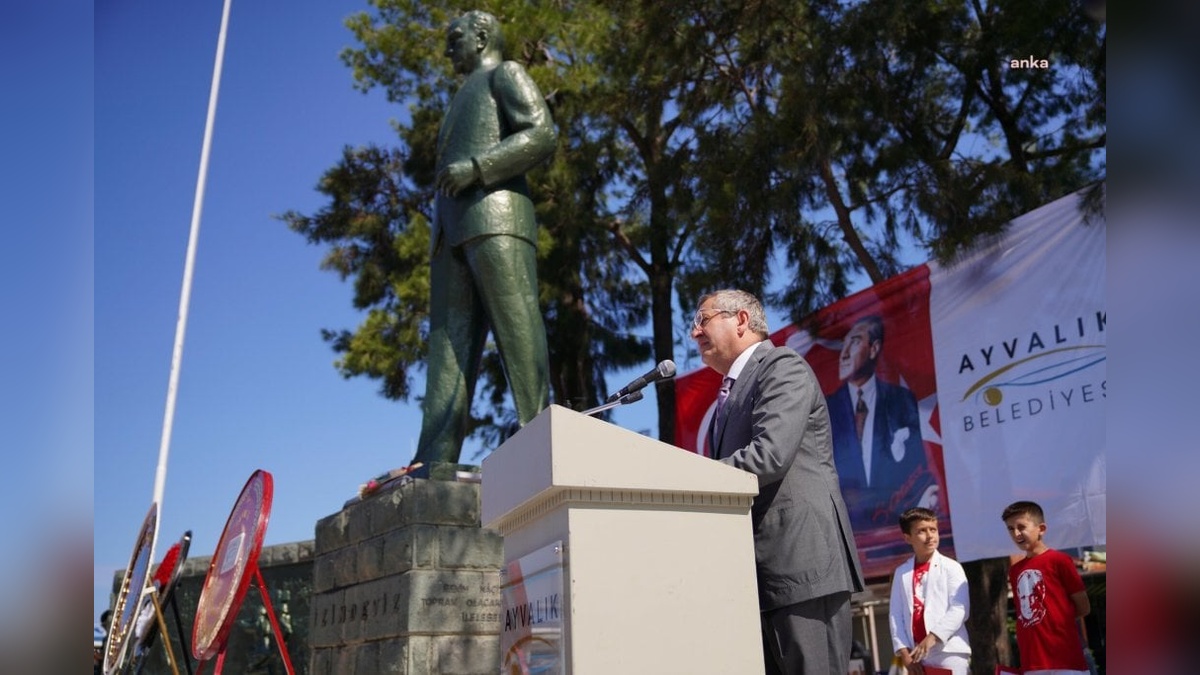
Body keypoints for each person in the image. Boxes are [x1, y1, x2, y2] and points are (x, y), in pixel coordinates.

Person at [692, 289, 864, 675]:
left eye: (704, 319)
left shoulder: (781, 365)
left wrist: (693, 478)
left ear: (741, 320)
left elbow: (769, 455)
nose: (695, 332)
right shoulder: (728, 395)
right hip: (757, 574)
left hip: (802, 565)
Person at [413, 9, 556, 466]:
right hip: (451, 232)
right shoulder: (461, 94)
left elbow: (542, 134)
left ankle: (540, 435)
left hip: (497, 217)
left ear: (482, 36)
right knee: (447, 348)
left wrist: (477, 169)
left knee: (517, 325)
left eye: (455, 37)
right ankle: (433, 460)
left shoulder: (506, 74)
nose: (448, 48)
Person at [826, 315, 934, 530]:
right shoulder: (825, 408)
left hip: (896, 524)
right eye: (843, 344)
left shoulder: (901, 400)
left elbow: (917, 465)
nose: (844, 354)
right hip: (846, 528)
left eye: (854, 342)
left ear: (874, 349)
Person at [1001, 500, 1091, 674]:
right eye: (1010, 529)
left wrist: (1054, 620)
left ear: (1041, 529)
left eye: (1021, 526)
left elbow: (1083, 606)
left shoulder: (1060, 560)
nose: (1016, 533)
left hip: (1065, 661)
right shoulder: (1015, 571)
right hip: (1032, 663)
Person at [888, 507, 971, 675]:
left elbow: (960, 609)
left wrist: (932, 637)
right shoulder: (902, 572)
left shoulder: (951, 567)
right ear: (907, 538)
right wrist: (905, 655)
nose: (930, 535)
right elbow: (896, 616)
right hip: (916, 655)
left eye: (933, 529)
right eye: (921, 531)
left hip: (948, 650)